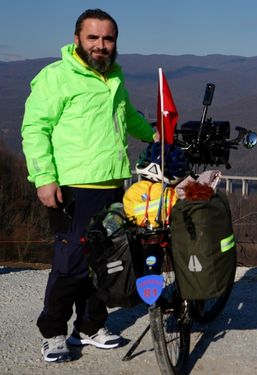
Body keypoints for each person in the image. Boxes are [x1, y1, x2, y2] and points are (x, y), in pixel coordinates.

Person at [21, 9, 157, 363]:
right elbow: (35, 130)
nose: (100, 45)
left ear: (115, 42)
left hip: (113, 183)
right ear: (77, 38)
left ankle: (90, 326)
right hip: (72, 187)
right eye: (93, 38)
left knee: (107, 261)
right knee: (70, 264)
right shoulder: (57, 77)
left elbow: (128, 117)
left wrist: (156, 135)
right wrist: (44, 178)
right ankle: (53, 332)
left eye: (107, 39)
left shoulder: (113, 78)